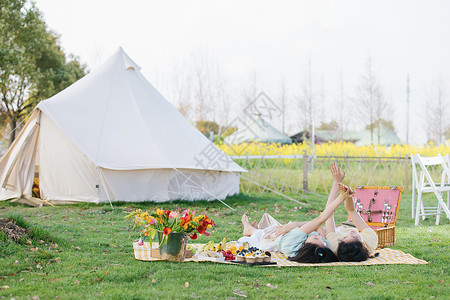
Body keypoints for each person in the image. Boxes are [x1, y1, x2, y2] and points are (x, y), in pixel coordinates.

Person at [238, 163, 352, 263]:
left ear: (304, 245)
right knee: (278, 226)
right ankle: (254, 230)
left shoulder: (293, 244)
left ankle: (250, 230)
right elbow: (321, 222)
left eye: (317, 239)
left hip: (273, 238)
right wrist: (336, 184)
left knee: (266, 233)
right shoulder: (322, 246)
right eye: (322, 240)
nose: (322, 239)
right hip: (291, 231)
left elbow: (319, 220)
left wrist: (341, 198)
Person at [326, 183, 378, 262]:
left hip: (337, 229)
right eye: (355, 237)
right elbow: (351, 211)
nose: (351, 232)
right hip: (349, 225)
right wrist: (348, 196)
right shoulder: (370, 240)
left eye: (346, 237)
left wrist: (336, 184)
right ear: (363, 244)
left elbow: (328, 214)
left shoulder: (334, 247)